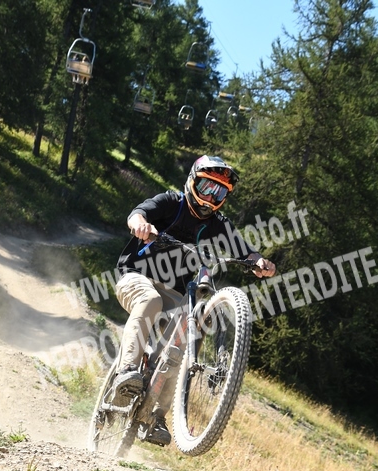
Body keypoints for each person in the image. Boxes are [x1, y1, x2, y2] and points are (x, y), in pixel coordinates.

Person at [114, 155, 276, 446]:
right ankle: (126, 372)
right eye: (206, 187)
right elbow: (138, 213)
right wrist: (141, 225)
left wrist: (259, 261)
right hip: (136, 278)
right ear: (191, 182)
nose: (210, 197)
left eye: (219, 192)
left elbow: (245, 251)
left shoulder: (217, 224)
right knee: (150, 300)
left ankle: (155, 416)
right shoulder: (171, 203)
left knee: (184, 341)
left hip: (175, 294)